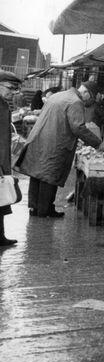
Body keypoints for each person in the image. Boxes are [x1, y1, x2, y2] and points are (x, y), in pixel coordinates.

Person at [15, 81, 104, 217]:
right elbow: (78, 127)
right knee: (49, 176)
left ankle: (34, 208)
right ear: (86, 92)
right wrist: (98, 143)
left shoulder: (58, 95)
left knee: (37, 175)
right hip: (54, 143)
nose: (89, 102)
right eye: (90, 97)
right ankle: (45, 210)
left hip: (40, 139)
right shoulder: (76, 102)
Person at [0, 71, 23, 246]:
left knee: (2, 198)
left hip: (3, 159)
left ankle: (0, 236)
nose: (12, 92)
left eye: (15, 89)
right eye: (10, 88)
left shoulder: (3, 104)